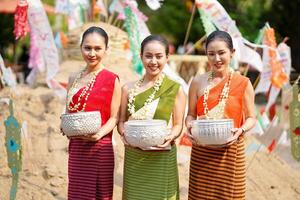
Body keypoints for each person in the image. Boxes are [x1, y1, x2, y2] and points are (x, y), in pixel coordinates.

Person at [185, 30, 256, 199]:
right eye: (211, 54)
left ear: (232, 53)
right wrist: (188, 127)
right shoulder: (197, 82)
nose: (216, 59)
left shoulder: (243, 83)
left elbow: (251, 117)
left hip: (230, 153)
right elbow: (191, 115)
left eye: (221, 53)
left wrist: (241, 130)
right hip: (201, 153)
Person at [118, 35, 186, 200]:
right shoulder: (128, 89)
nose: (153, 61)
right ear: (140, 56)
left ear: (167, 58)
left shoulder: (175, 89)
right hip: (135, 155)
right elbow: (121, 121)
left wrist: (170, 137)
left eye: (159, 56)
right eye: (148, 56)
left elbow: (178, 124)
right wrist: (124, 135)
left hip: (162, 153)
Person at [63, 26, 121, 200]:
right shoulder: (73, 78)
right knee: (77, 194)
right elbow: (68, 109)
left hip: (100, 147)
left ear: (106, 49)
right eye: (87, 48)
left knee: (98, 195)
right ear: (81, 47)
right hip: (77, 147)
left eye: (98, 48)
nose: (92, 53)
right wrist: (64, 124)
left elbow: (114, 117)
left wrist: (99, 134)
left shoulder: (112, 79)